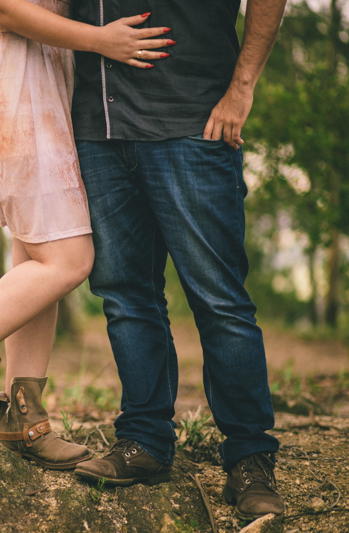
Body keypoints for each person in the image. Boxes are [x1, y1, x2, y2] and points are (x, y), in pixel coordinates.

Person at [0, 0, 173, 469]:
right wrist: (104, 39)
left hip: (44, 82)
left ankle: (23, 419)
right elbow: (5, 9)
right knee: (68, 259)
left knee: (34, 256)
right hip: (14, 81)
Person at [68, 0, 288, 522]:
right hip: (98, 128)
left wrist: (242, 89)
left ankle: (251, 459)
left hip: (195, 120)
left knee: (220, 300)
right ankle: (143, 441)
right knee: (126, 296)